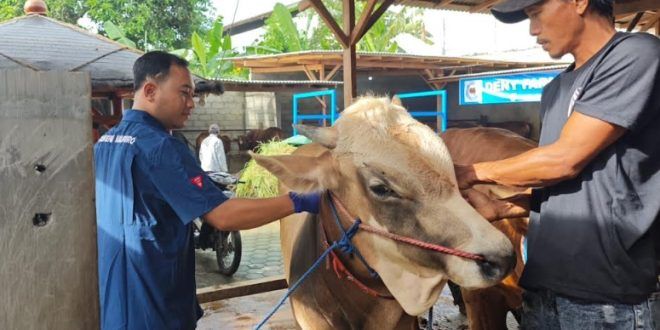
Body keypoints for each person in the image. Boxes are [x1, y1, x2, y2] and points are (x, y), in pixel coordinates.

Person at [455, 0, 660, 328]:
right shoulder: (555, 90)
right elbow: (567, 188)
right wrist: (503, 208)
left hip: (608, 301)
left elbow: (564, 161)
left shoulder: (636, 55)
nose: (533, 30)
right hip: (542, 292)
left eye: (536, 14)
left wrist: (471, 172)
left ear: (579, 2)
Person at [93, 51, 320, 330]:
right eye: (185, 93)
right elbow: (223, 216)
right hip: (155, 307)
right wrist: (298, 201)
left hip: (116, 303)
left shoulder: (107, 141)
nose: (192, 104)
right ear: (150, 90)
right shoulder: (162, 147)